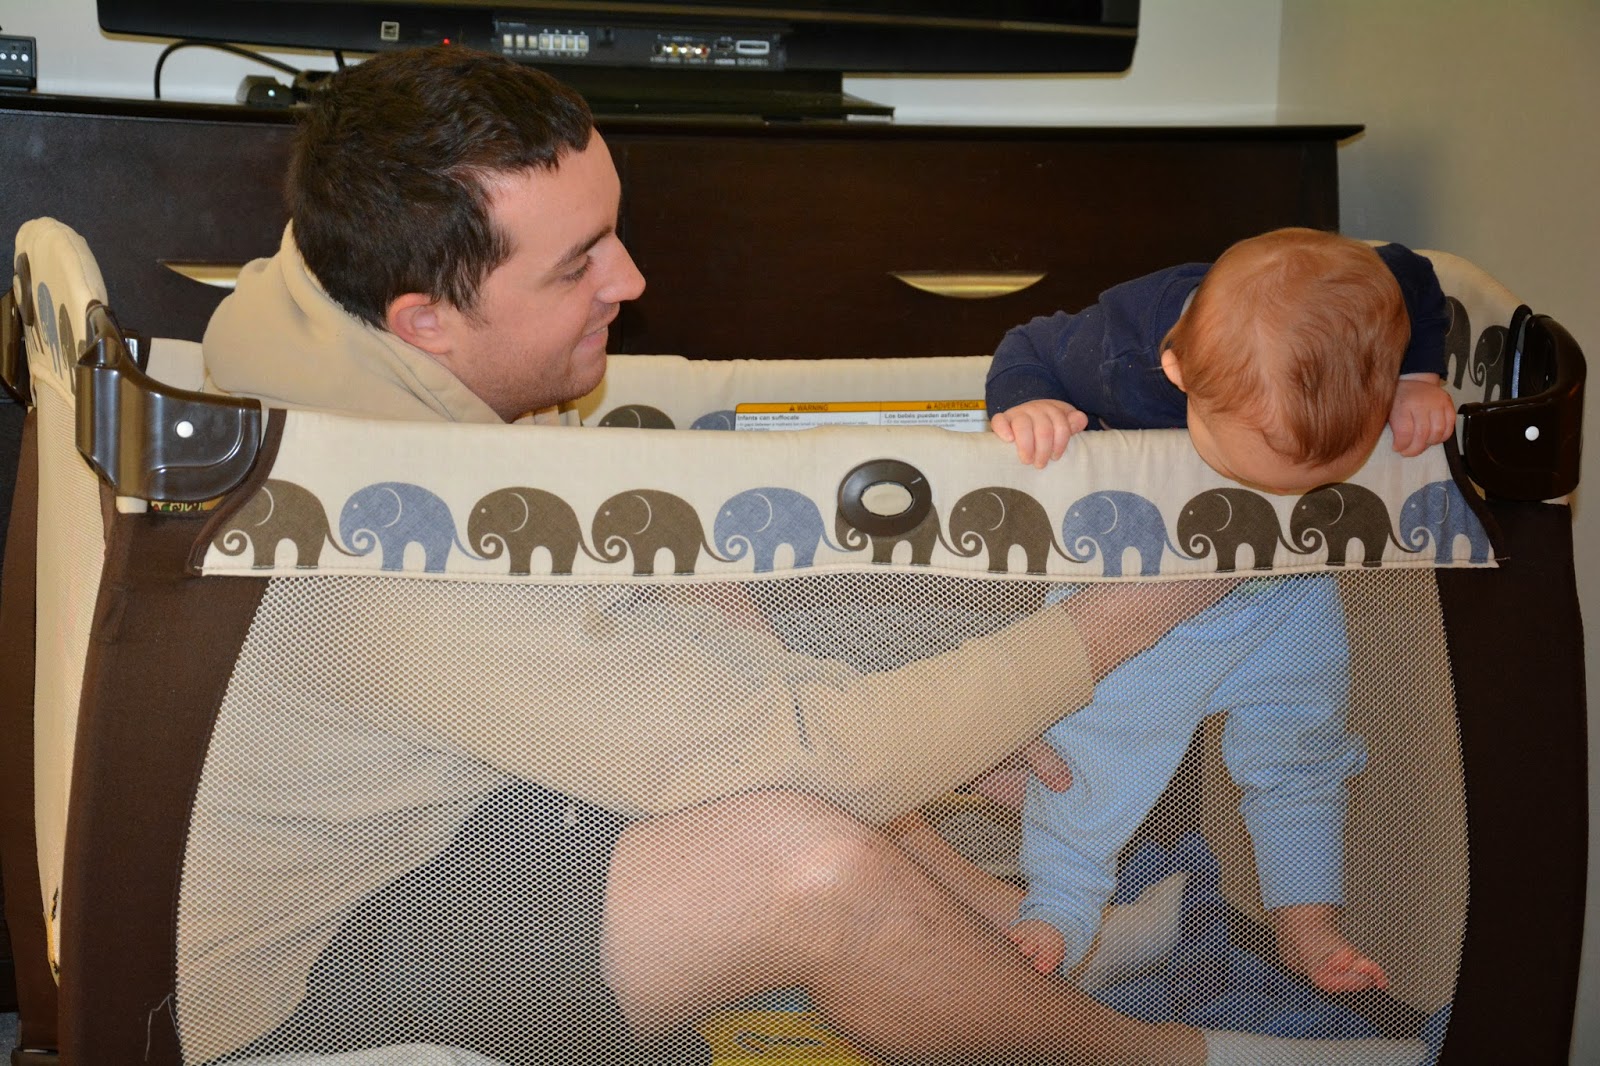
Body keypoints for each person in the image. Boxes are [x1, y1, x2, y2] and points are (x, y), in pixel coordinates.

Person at [197, 45, 1429, 1066]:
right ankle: (1166, 1054)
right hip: (314, 973)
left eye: (612, 232)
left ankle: (999, 921)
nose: (631, 278)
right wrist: (1125, 617)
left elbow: (675, 644)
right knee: (806, 856)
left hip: (446, 821)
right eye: (579, 264)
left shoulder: (343, 329)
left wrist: (948, 734)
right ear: (427, 319)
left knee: (713, 603)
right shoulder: (397, 536)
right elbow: (798, 753)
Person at [980, 229, 1454, 996]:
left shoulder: (1362, 301)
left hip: (1290, 589)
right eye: (1252, 469)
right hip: (1141, 595)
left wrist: (1418, 374)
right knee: (1092, 760)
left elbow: (1417, 275)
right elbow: (1028, 342)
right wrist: (1028, 402)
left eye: (1316, 475)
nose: (1276, 492)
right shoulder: (1124, 357)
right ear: (1179, 374)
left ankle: (1306, 919)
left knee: (1302, 755)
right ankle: (1061, 904)